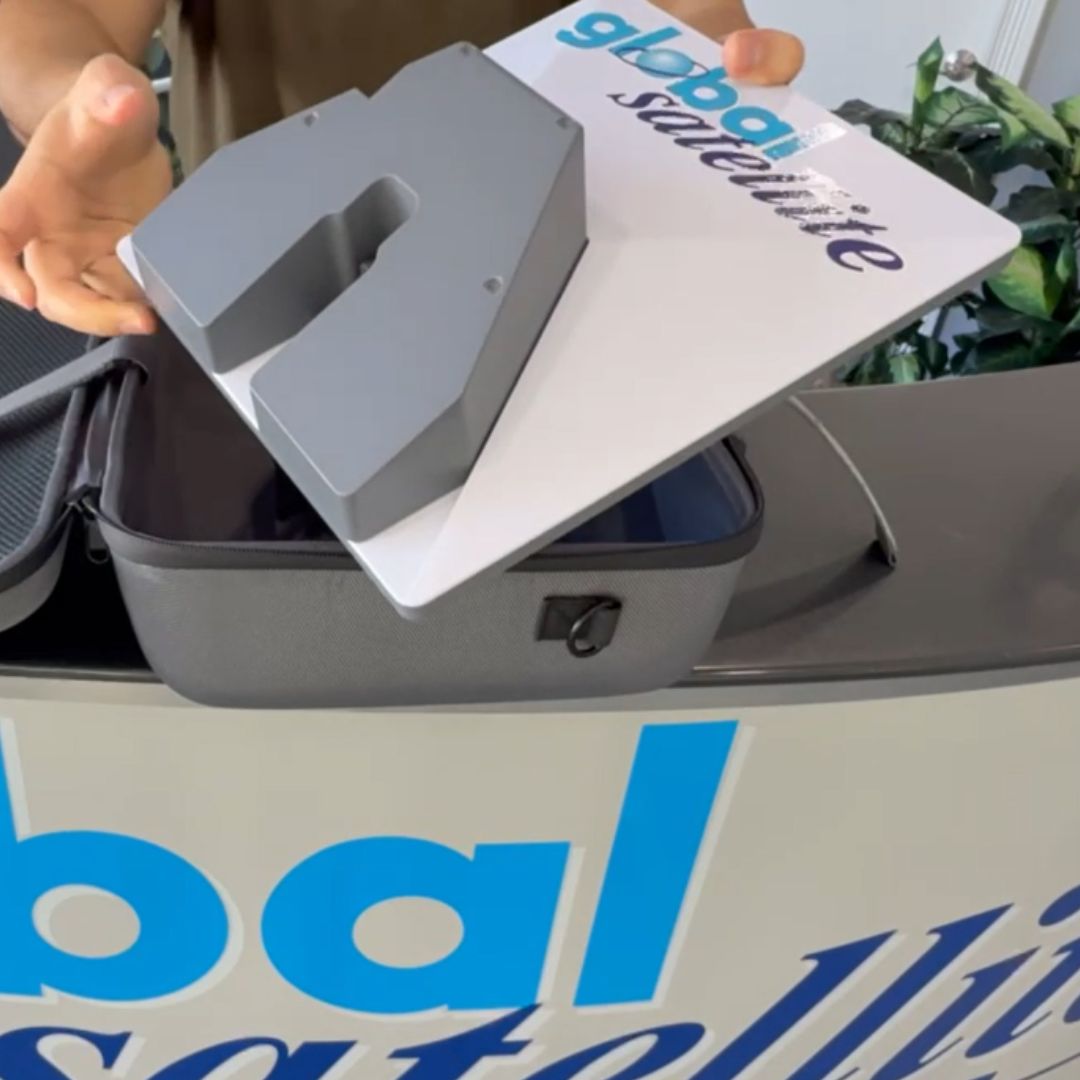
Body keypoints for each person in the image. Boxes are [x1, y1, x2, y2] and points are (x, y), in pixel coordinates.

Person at [0, 1, 804, 338]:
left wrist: (719, 78)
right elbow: (60, 14)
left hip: (569, 289)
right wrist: (77, 103)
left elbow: (686, 19)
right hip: (266, 304)